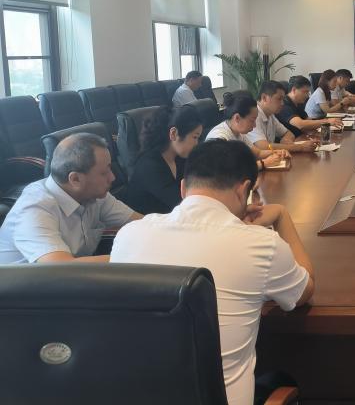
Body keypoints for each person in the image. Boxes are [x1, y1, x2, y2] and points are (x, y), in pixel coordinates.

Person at [111, 139, 314, 405]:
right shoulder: (262, 244)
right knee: (282, 378)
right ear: (243, 190)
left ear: (183, 187)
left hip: (133, 395)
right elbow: (304, 291)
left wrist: (235, 223)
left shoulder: (129, 234)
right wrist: (281, 215)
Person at [0, 133, 141, 263]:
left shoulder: (95, 195)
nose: (113, 177)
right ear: (75, 179)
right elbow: (61, 267)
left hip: (69, 277)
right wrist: (136, 257)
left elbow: (143, 223)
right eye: (104, 173)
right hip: (29, 282)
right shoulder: (34, 210)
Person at [127, 106, 203, 215]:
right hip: (146, 222)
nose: (196, 143)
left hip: (169, 218)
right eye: (195, 137)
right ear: (174, 134)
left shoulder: (179, 158)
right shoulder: (149, 166)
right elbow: (181, 204)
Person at [206, 91, 288, 170]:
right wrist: (264, 163)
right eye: (252, 120)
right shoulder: (219, 137)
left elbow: (258, 154)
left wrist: (278, 152)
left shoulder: (238, 133)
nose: (254, 125)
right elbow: (227, 170)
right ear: (237, 118)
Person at [248, 81, 316, 153]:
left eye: (283, 99)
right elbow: (263, 146)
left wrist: (286, 140)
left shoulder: (270, 115)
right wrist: (300, 147)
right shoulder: (253, 116)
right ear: (264, 98)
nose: (282, 103)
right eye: (279, 99)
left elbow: (289, 133)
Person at [277, 75, 343, 137]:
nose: (307, 95)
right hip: (290, 141)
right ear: (294, 90)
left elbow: (308, 120)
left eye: (308, 92)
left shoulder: (299, 103)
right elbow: (300, 124)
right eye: (305, 92)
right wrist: (327, 121)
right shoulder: (284, 104)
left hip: (302, 137)